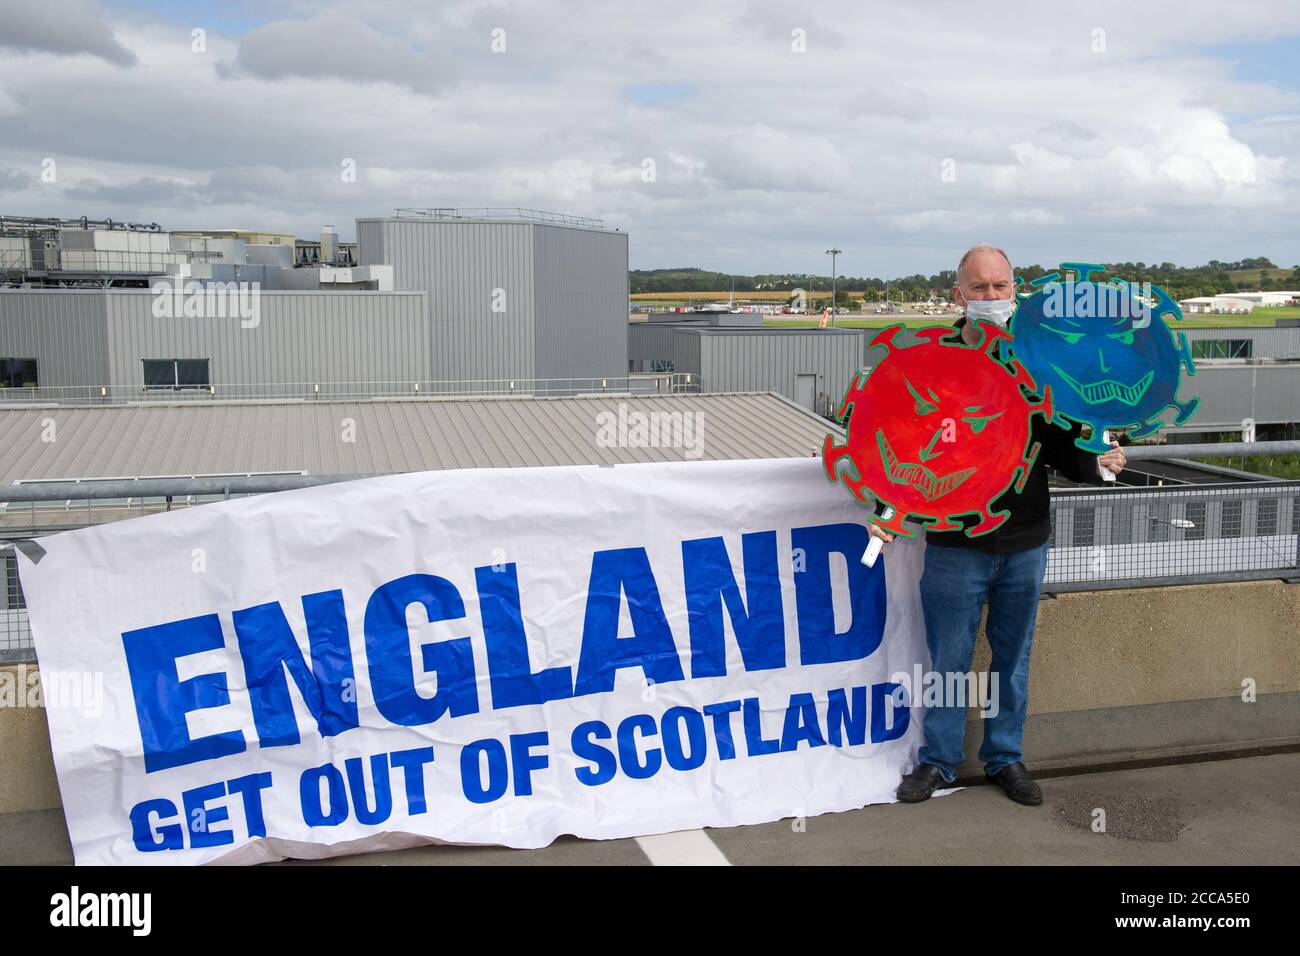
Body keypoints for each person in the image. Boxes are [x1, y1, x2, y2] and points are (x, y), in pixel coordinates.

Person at [873, 245, 1127, 806]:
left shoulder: (1038, 360)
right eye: (980, 288)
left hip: (1026, 539)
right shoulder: (932, 358)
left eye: (1001, 287)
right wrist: (886, 502)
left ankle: (1004, 758)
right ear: (957, 294)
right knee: (948, 660)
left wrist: (1098, 459)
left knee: (1012, 660)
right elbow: (903, 440)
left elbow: (1064, 442)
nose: (992, 298)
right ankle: (937, 761)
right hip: (955, 542)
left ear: (1017, 291)